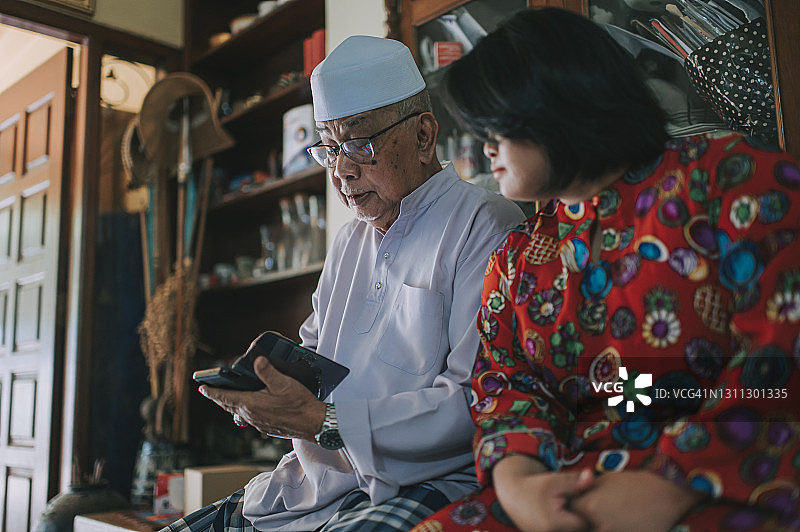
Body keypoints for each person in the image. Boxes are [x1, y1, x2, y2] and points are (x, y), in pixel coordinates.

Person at [413, 7, 800, 532]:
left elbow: (780, 357)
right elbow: (506, 386)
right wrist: (522, 488)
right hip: (571, 483)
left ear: (555, 104)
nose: (484, 147)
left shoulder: (735, 179)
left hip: (731, 472)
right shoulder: (517, 256)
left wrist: (670, 484)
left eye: (495, 126)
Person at [162, 35, 525, 532]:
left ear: (424, 136)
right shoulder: (349, 240)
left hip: (426, 483)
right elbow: (316, 360)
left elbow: (474, 400)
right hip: (317, 481)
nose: (341, 171)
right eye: (329, 149)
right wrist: (266, 390)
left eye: (358, 144)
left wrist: (323, 422)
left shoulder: (484, 222)